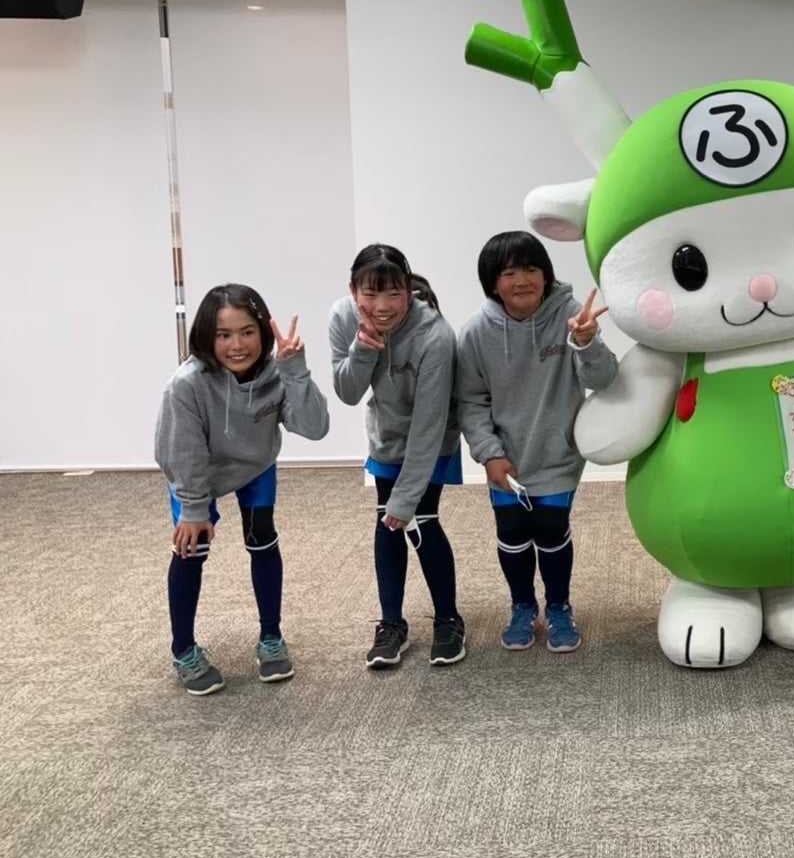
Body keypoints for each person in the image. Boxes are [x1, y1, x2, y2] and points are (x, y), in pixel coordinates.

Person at [155, 284, 329, 694]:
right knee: (191, 547)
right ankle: (183, 650)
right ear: (206, 336)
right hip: (198, 472)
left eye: (247, 332)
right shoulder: (186, 385)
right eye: (224, 334)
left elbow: (315, 427)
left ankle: (271, 637)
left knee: (262, 539)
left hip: (255, 466)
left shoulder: (275, 372)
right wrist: (194, 509)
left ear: (263, 331)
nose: (237, 345)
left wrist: (295, 370)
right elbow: (179, 452)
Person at [457, 231, 618, 653]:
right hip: (506, 459)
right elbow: (470, 402)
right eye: (509, 273)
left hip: (558, 452)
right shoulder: (476, 333)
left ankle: (559, 607)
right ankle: (523, 606)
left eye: (531, 269)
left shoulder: (570, 315)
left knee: (551, 529)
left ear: (546, 275)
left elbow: (603, 379)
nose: (522, 280)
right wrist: (489, 454)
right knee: (512, 532)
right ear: (493, 283)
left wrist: (586, 342)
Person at [328, 244, 465, 669]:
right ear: (353, 290)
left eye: (394, 294)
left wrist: (405, 498)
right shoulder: (343, 317)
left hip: (434, 435)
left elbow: (428, 424)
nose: (383, 307)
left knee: (420, 516)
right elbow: (348, 392)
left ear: (409, 290)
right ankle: (391, 624)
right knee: (386, 520)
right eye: (370, 294)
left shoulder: (435, 336)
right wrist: (363, 349)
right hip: (386, 433)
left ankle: (448, 620)